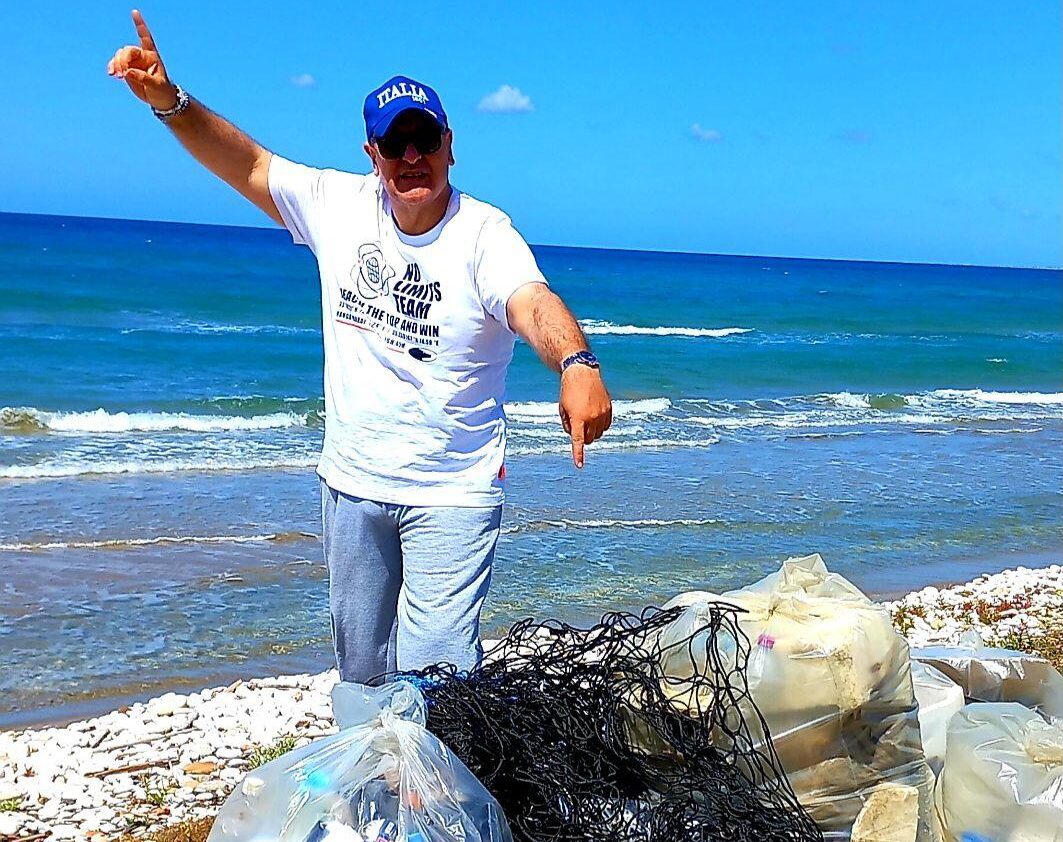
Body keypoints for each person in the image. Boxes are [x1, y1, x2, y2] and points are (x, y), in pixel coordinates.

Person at [107, 10, 613, 683]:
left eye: (423, 139)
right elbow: (248, 163)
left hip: (452, 491)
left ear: (449, 145)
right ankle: (369, 781)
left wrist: (577, 364)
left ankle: (436, 788)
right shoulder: (335, 206)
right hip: (351, 484)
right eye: (393, 143)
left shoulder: (486, 234)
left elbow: (532, 302)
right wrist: (170, 102)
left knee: (438, 676)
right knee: (362, 671)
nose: (411, 157)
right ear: (371, 154)